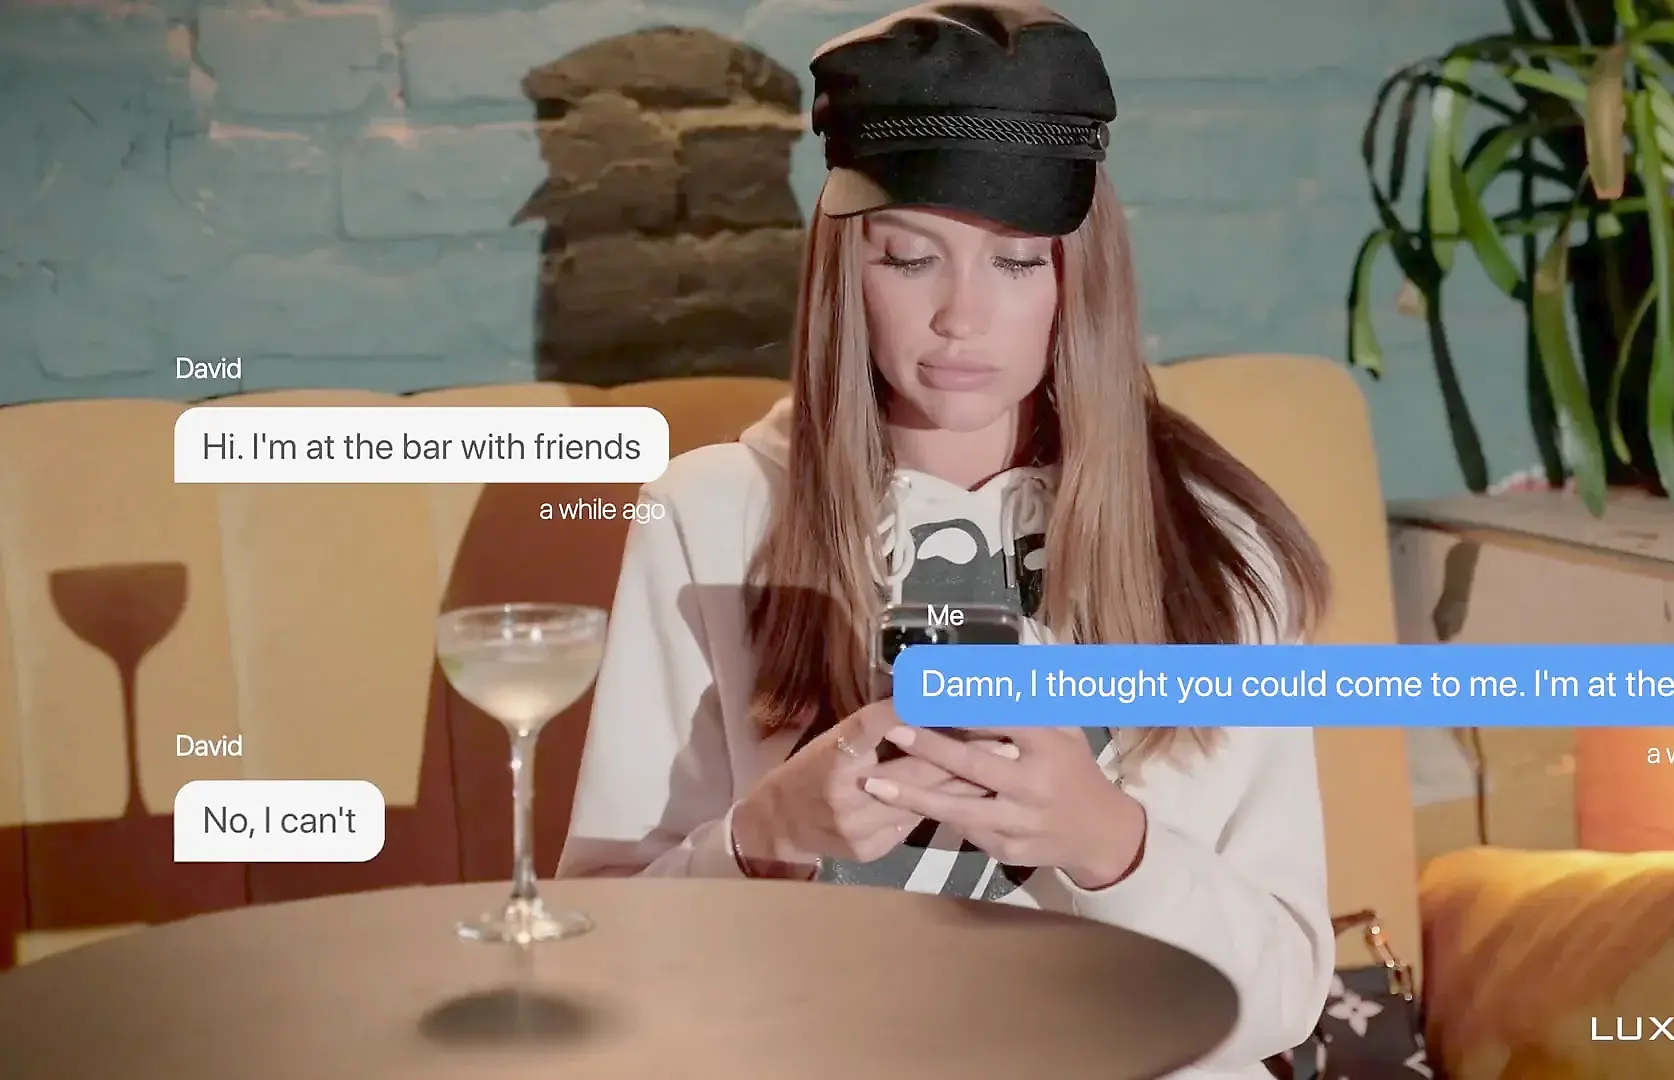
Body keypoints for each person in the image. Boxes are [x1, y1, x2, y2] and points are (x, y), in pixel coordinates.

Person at [558, 2, 1337, 1074]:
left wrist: (1110, 844)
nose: (961, 319)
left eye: (1016, 263)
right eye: (910, 258)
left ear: (1077, 280)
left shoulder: (1218, 545)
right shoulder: (705, 516)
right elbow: (601, 961)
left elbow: (1285, 997)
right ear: (846, 270)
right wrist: (760, 838)